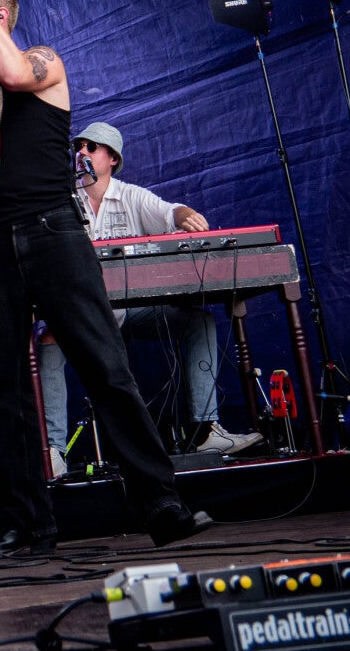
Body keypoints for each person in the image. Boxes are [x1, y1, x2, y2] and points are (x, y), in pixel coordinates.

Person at [0, 0, 210, 559]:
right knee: (2, 389)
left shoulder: (43, 62)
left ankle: (162, 505)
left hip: (52, 232)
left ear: (0, 14)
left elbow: (13, 75)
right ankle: (28, 525)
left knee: (105, 367)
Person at [37, 122, 264, 464]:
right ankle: (52, 451)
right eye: (78, 146)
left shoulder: (131, 196)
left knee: (199, 321)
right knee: (48, 338)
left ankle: (206, 432)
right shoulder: (62, 199)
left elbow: (170, 211)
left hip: (125, 314)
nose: (81, 152)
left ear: (113, 158)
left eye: (91, 147)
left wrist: (186, 215)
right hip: (82, 315)